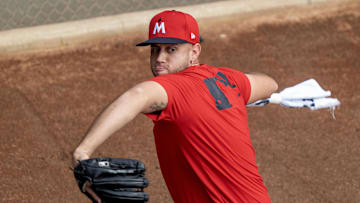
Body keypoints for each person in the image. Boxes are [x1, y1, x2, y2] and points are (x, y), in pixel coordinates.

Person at [73, 10, 278, 203]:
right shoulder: (228, 79)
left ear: (194, 51)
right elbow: (270, 84)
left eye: (171, 49)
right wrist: (237, 94)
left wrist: (82, 152)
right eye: (155, 50)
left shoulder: (173, 88)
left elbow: (137, 96)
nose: (160, 59)